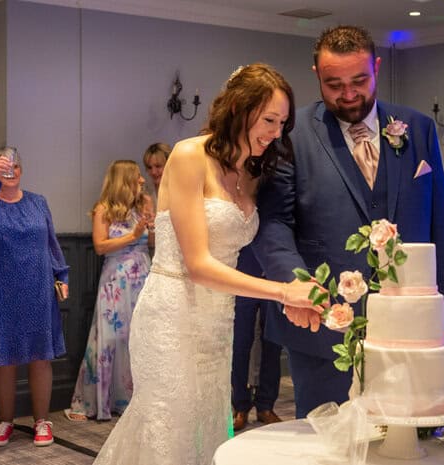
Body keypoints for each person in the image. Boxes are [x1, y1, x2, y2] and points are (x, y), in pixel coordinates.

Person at [93, 63, 322, 465]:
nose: (275, 132)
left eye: (282, 122)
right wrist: (284, 291)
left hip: (217, 320)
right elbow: (197, 264)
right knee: (168, 428)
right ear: (238, 107)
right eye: (269, 119)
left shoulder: (253, 171)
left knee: (206, 428)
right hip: (172, 312)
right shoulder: (188, 155)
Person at [253, 25, 444, 419]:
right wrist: (296, 281)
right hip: (324, 324)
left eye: (359, 80)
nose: (348, 94)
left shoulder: (417, 128)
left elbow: (440, 224)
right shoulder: (292, 135)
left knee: (405, 438)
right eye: (334, 84)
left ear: (377, 68)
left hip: (410, 327)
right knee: (326, 440)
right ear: (316, 73)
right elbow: (273, 224)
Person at [0, 146, 70, 447]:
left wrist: (61, 275)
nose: (9, 171)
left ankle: (42, 421)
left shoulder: (38, 202)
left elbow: (51, 243)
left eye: (14, 166)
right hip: (0, 291)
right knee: (5, 359)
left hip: (38, 289)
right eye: (2, 167)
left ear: (22, 170)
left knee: (41, 357)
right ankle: (5, 421)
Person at [65, 160, 154, 422]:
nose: (141, 180)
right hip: (116, 279)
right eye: (137, 176)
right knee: (110, 338)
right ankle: (98, 400)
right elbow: (101, 246)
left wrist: (151, 232)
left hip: (142, 273)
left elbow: (149, 241)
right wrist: (133, 234)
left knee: (138, 337)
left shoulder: (144, 204)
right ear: (124, 180)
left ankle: (132, 399)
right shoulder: (103, 209)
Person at [231, 245, 283, 431]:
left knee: (273, 342)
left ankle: (266, 406)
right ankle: (240, 405)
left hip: (275, 276)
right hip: (242, 274)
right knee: (240, 343)